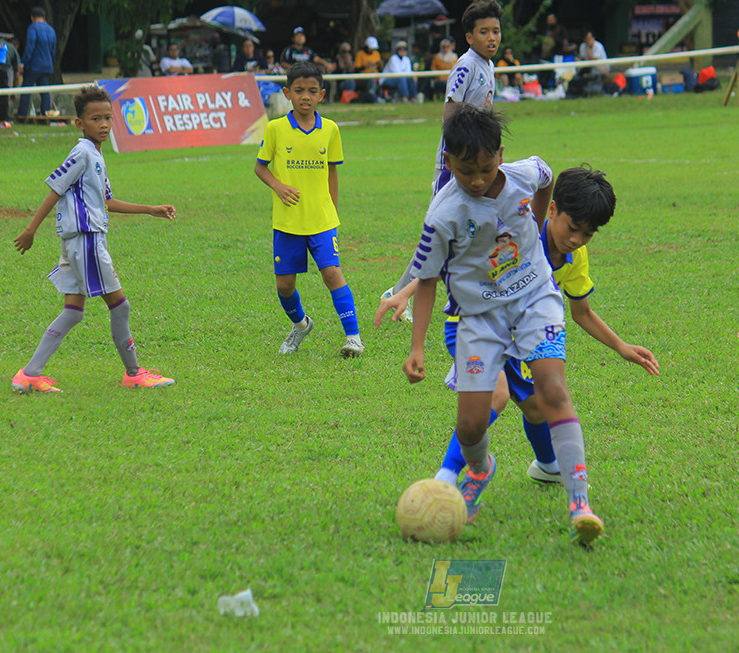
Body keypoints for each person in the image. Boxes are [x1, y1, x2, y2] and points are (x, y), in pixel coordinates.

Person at [378, 165, 660, 491]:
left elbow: (582, 312)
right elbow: (463, 260)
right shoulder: (519, 231)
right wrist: (406, 290)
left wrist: (621, 346)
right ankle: (446, 477)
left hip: (524, 336)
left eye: (587, 234)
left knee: (538, 407)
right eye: (573, 228)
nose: (576, 240)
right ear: (552, 210)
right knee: (496, 395)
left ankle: (548, 466)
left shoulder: (575, 257)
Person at [401, 106, 603, 546]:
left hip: (535, 301)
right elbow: (429, 280)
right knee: (472, 424)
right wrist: (416, 347)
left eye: (486, 168)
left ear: (500, 155)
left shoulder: (524, 175)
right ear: (448, 160)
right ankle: (479, 469)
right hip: (480, 317)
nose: (476, 179)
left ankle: (580, 502)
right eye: (464, 169)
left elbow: (548, 177)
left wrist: (533, 224)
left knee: (553, 391)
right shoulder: (443, 213)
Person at [11, 85, 176, 394]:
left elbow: (106, 201)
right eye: (95, 118)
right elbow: (55, 190)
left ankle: (29, 374)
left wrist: (149, 209)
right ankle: (134, 372)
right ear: (79, 123)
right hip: (86, 240)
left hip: (79, 242)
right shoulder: (82, 153)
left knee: (73, 311)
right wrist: (31, 229)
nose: (103, 124)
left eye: (107, 118)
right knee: (120, 305)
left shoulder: (96, 155)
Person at [379, 1, 502, 310]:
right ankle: (399, 294)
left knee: (473, 227)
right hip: (455, 164)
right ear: (469, 37)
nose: (492, 38)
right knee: (439, 232)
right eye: (484, 32)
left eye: (496, 31)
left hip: (476, 164)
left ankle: (475, 290)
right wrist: (458, 157)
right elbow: (450, 112)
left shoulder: (488, 65)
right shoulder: (466, 65)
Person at [253, 62, 365, 358]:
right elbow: (260, 167)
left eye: (312, 91)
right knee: (285, 285)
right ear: (287, 93)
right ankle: (301, 325)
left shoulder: (330, 129)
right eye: (299, 90)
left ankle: (353, 338)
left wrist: (333, 211)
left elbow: (332, 173)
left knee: (332, 274)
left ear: (322, 94)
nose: (305, 96)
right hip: (288, 221)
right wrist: (278, 186)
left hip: (321, 220)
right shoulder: (275, 128)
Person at [17, 7, 56, 119]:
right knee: (44, 91)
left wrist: (23, 62)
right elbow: (53, 50)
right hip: (47, 65)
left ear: (32, 17)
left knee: (26, 90)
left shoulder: (33, 28)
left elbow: (30, 47)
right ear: (44, 17)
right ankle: (45, 114)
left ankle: (22, 114)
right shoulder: (51, 30)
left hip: (34, 65)